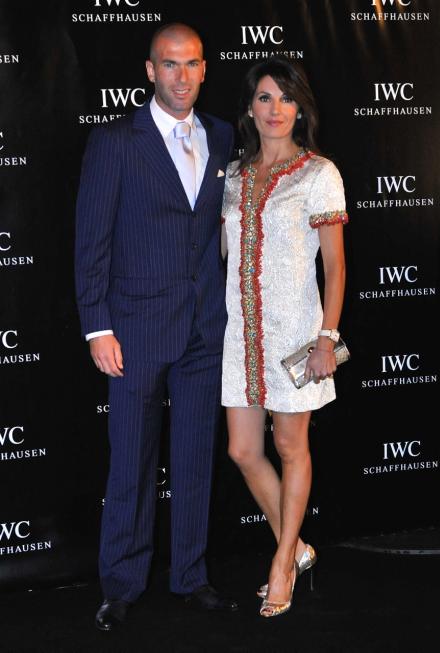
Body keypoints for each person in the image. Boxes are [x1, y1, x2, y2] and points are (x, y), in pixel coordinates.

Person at [75, 23, 237, 631]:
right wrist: (98, 327)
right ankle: (121, 585)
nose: (181, 76)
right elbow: (91, 240)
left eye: (192, 63)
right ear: (150, 71)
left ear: (204, 69)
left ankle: (191, 576)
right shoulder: (117, 141)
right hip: (135, 331)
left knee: (195, 459)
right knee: (131, 465)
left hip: (204, 330)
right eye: (169, 64)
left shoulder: (222, 135)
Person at [221, 56, 347, 618]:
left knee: (292, 447)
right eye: (265, 98)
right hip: (241, 336)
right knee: (243, 450)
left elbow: (335, 268)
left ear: (301, 108)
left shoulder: (319, 173)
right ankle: (295, 548)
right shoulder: (233, 176)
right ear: (250, 108)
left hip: (297, 334)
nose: (276, 109)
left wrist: (327, 337)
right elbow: (223, 251)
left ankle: (281, 565)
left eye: (287, 98)